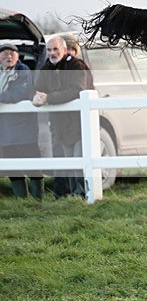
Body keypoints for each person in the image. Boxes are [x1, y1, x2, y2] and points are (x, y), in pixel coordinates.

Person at [32, 36, 94, 197]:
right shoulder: (47, 68)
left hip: (79, 122)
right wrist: (36, 96)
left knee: (79, 159)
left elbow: (77, 90)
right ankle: (74, 196)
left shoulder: (77, 66)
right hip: (60, 124)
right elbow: (37, 88)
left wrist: (49, 97)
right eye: (49, 50)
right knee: (69, 161)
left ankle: (83, 195)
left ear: (64, 49)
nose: (52, 53)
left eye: (55, 49)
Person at [0, 43, 44, 199]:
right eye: (5, 54)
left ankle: (38, 200)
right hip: (4, 129)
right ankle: (22, 200)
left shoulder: (23, 71)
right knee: (12, 166)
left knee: (32, 163)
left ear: (18, 56)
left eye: (12, 53)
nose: (9, 57)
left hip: (24, 128)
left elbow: (18, 94)